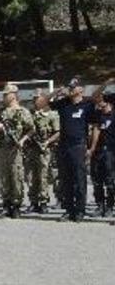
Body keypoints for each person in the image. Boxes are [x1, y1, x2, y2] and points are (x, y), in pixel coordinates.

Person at [50, 79, 96, 222]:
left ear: (81, 89)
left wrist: (91, 147)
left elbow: (95, 126)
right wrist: (56, 91)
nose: (70, 89)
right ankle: (69, 210)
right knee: (66, 180)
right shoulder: (63, 104)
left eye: (73, 87)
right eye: (70, 87)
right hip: (64, 146)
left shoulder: (88, 105)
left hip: (78, 145)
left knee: (79, 179)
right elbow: (42, 103)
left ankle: (80, 211)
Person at [0, 84, 34, 218]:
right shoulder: (0, 112)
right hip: (2, 149)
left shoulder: (23, 111)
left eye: (6, 94)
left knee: (16, 176)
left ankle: (16, 205)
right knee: (4, 177)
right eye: (4, 94)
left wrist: (22, 140)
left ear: (14, 94)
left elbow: (31, 129)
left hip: (15, 149)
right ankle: (6, 204)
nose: (4, 97)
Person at [26, 92, 60, 213]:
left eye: (37, 99)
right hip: (31, 149)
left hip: (44, 149)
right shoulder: (29, 114)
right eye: (34, 99)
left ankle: (44, 201)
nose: (35, 101)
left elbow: (58, 132)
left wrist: (47, 142)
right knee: (31, 176)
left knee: (43, 176)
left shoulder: (51, 115)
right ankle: (33, 202)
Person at [88, 92, 114, 217]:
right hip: (97, 152)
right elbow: (95, 132)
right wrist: (91, 149)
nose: (98, 102)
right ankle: (100, 206)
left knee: (110, 180)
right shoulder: (97, 115)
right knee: (97, 180)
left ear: (107, 101)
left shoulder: (113, 115)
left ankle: (110, 206)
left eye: (101, 100)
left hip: (111, 152)